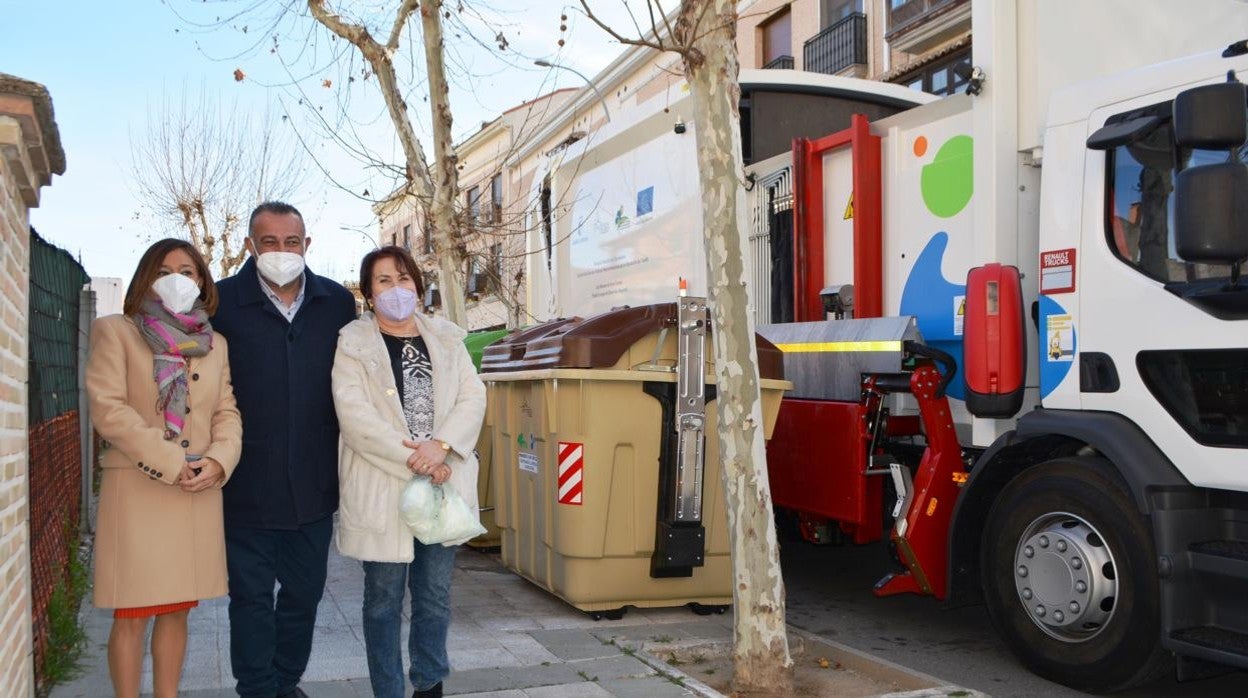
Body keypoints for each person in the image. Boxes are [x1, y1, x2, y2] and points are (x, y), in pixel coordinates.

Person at [85, 238, 242, 698]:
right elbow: (109, 410)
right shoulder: (115, 330)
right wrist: (173, 462)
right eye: (167, 269)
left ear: (202, 281)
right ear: (146, 278)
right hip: (140, 489)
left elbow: (226, 411)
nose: (179, 278)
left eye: (189, 270)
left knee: (176, 610)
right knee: (132, 612)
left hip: (197, 491)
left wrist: (219, 460)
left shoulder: (215, 344)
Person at [212, 201, 357, 698]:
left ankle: (285, 681)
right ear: (251, 246)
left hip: (314, 483)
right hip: (245, 481)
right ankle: (256, 688)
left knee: (303, 596)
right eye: (268, 242)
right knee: (250, 599)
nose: (280, 251)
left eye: (290, 241)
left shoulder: (336, 302)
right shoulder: (222, 302)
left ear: (306, 245)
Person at [331, 246, 486, 698]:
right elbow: (355, 417)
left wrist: (441, 448)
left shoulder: (448, 339)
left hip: (442, 484)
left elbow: (472, 399)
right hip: (384, 486)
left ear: (417, 284)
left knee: (434, 596)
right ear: (367, 292)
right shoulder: (353, 345)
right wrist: (415, 459)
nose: (395, 289)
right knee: (382, 601)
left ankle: (429, 684)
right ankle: (388, 689)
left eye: (403, 278)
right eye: (383, 281)